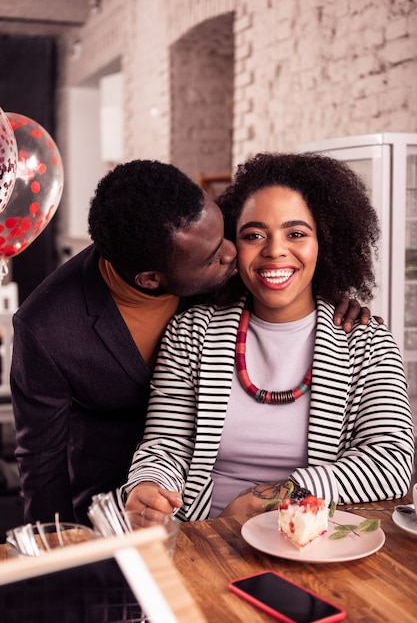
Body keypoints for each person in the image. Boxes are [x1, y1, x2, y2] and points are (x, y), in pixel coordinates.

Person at [11, 159, 373, 526]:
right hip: (115, 495)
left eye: (226, 233)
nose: (231, 253)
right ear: (152, 279)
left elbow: (281, 270)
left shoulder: (215, 262)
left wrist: (331, 299)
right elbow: (42, 463)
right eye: (214, 256)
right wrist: (52, 551)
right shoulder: (46, 327)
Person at [123, 152, 415, 523]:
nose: (275, 250)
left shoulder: (366, 342)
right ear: (231, 245)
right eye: (254, 235)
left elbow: (390, 461)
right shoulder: (191, 333)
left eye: (296, 233)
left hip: (311, 538)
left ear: (324, 242)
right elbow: (165, 446)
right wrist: (148, 485)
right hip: (202, 535)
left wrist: (269, 497)